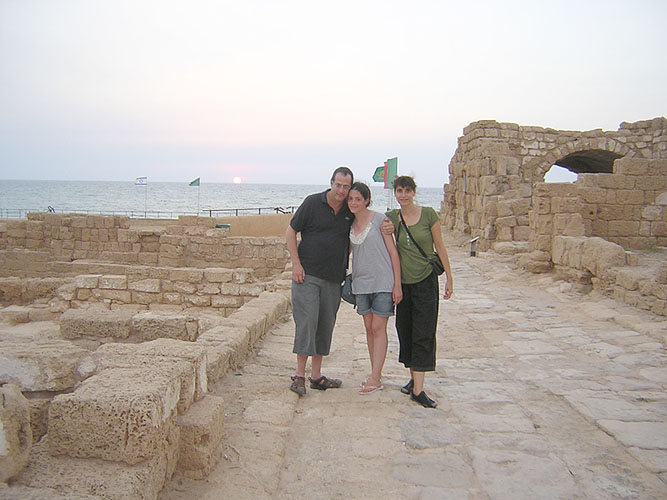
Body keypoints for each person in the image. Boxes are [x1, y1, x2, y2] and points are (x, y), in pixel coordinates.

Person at [385, 175, 453, 408]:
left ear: (414, 192)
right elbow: (373, 224)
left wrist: (449, 279)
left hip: (425, 281)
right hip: (403, 284)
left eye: (407, 191)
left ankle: (418, 390)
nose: (403, 195)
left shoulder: (429, 215)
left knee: (423, 332)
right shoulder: (393, 217)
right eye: (399, 191)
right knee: (406, 331)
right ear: (395, 194)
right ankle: (413, 379)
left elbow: (440, 247)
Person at [285, 166, 354, 395]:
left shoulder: (350, 209)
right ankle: (299, 376)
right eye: (338, 185)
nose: (342, 190)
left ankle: (316, 376)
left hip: (334, 278)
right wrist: (296, 263)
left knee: (325, 325)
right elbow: (290, 231)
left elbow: (365, 224)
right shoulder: (313, 203)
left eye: (346, 186)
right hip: (308, 275)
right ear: (331, 182)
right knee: (307, 323)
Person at [347, 182, 402, 395]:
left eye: (358, 199)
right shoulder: (349, 224)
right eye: (351, 199)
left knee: (379, 328)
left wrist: (397, 284)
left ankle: (375, 377)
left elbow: (393, 253)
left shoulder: (380, 220)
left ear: (367, 200)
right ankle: (374, 373)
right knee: (369, 329)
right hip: (361, 284)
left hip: (383, 282)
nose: (353, 203)